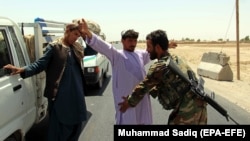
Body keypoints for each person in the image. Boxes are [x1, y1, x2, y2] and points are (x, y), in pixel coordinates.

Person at [4, 23, 87, 140]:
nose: (76, 38)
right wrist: (22, 70)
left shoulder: (76, 48)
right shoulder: (54, 48)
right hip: (61, 96)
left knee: (76, 126)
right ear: (67, 31)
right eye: (75, 34)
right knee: (60, 130)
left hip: (77, 94)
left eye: (78, 36)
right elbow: (40, 64)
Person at [118, 29, 207, 125]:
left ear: (157, 48)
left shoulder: (159, 67)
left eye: (149, 47)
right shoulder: (175, 59)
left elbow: (143, 87)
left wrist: (128, 102)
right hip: (201, 108)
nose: (147, 50)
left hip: (187, 111)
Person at [77, 19, 153, 125]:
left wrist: (166, 46)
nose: (133, 44)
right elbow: (102, 45)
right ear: (122, 41)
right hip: (125, 102)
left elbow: (152, 52)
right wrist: (88, 33)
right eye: (130, 41)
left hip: (142, 100)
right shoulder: (117, 56)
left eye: (135, 41)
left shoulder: (140, 54)